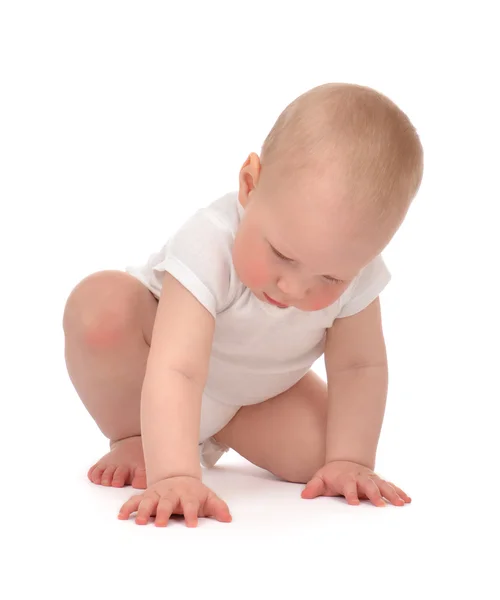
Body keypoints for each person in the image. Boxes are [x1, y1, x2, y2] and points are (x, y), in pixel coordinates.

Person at [63, 82, 424, 527]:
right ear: (250, 185)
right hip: (153, 368)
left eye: (330, 277)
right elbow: (179, 368)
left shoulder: (358, 270)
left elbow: (359, 367)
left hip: (254, 397)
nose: (293, 288)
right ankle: (136, 436)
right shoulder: (209, 242)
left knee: (320, 456)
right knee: (98, 309)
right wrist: (175, 475)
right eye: (283, 255)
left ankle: (217, 429)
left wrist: (351, 459)